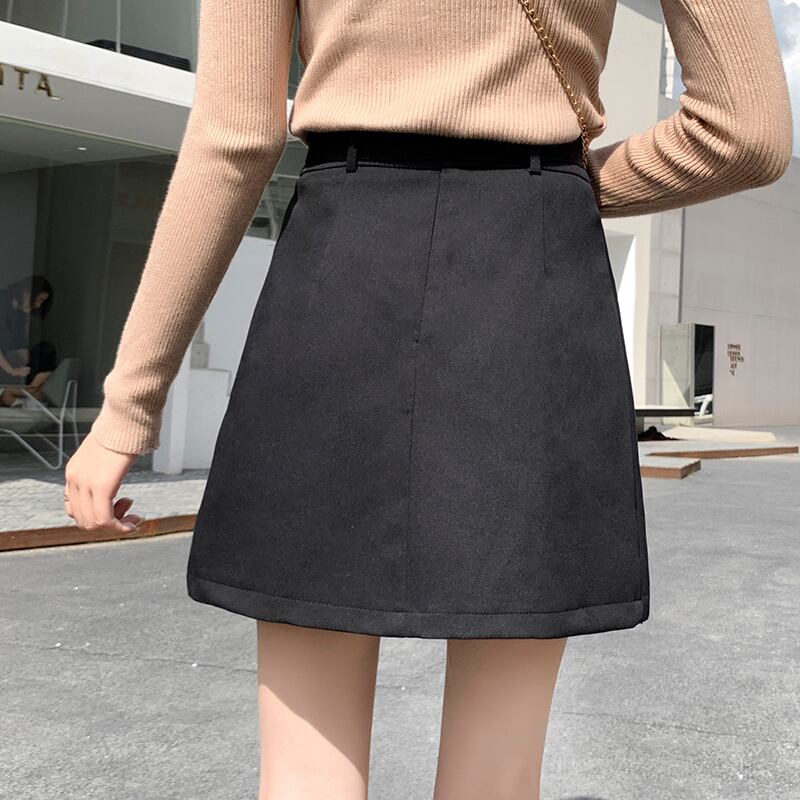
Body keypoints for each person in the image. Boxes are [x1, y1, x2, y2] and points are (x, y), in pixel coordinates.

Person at [63, 1, 793, 798]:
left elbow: (234, 138)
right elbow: (746, 133)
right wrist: (573, 186)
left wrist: (129, 406)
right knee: (497, 776)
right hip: (532, 261)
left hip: (343, 260)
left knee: (305, 772)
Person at [0, 275, 53, 382]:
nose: (38, 306)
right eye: (40, 300)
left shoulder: (19, 316)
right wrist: (12, 370)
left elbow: (20, 346)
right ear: (27, 293)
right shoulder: (2, 300)